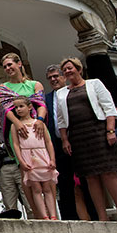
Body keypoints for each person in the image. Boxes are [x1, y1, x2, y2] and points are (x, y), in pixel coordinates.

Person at [55, 57, 117, 222]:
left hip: (98, 131)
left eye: (70, 68)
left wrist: (110, 130)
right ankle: (102, 216)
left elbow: (109, 108)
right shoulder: (61, 93)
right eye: (64, 70)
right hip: (78, 136)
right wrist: (65, 139)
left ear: (79, 69)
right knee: (90, 176)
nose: (67, 71)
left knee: (109, 172)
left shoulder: (94, 84)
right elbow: (61, 120)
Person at [45, 65, 86, 220]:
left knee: (85, 180)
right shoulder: (46, 98)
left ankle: (93, 215)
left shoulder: (73, 92)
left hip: (78, 141)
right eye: (50, 78)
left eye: (56, 76)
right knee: (64, 182)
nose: (54, 80)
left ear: (64, 76)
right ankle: (70, 217)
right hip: (57, 146)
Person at [9, 96, 57, 220]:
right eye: (16, 107)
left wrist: (52, 159)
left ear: (30, 107)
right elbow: (16, 144)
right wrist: (21, 160)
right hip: (27, 155)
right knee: (35, 187)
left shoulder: (39, 123)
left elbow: (48, 142)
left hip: (41, 155)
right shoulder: (15, 126)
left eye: (21, 106)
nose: (18, 110)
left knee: (47, 187)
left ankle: (53, 214)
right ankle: (43, 215)